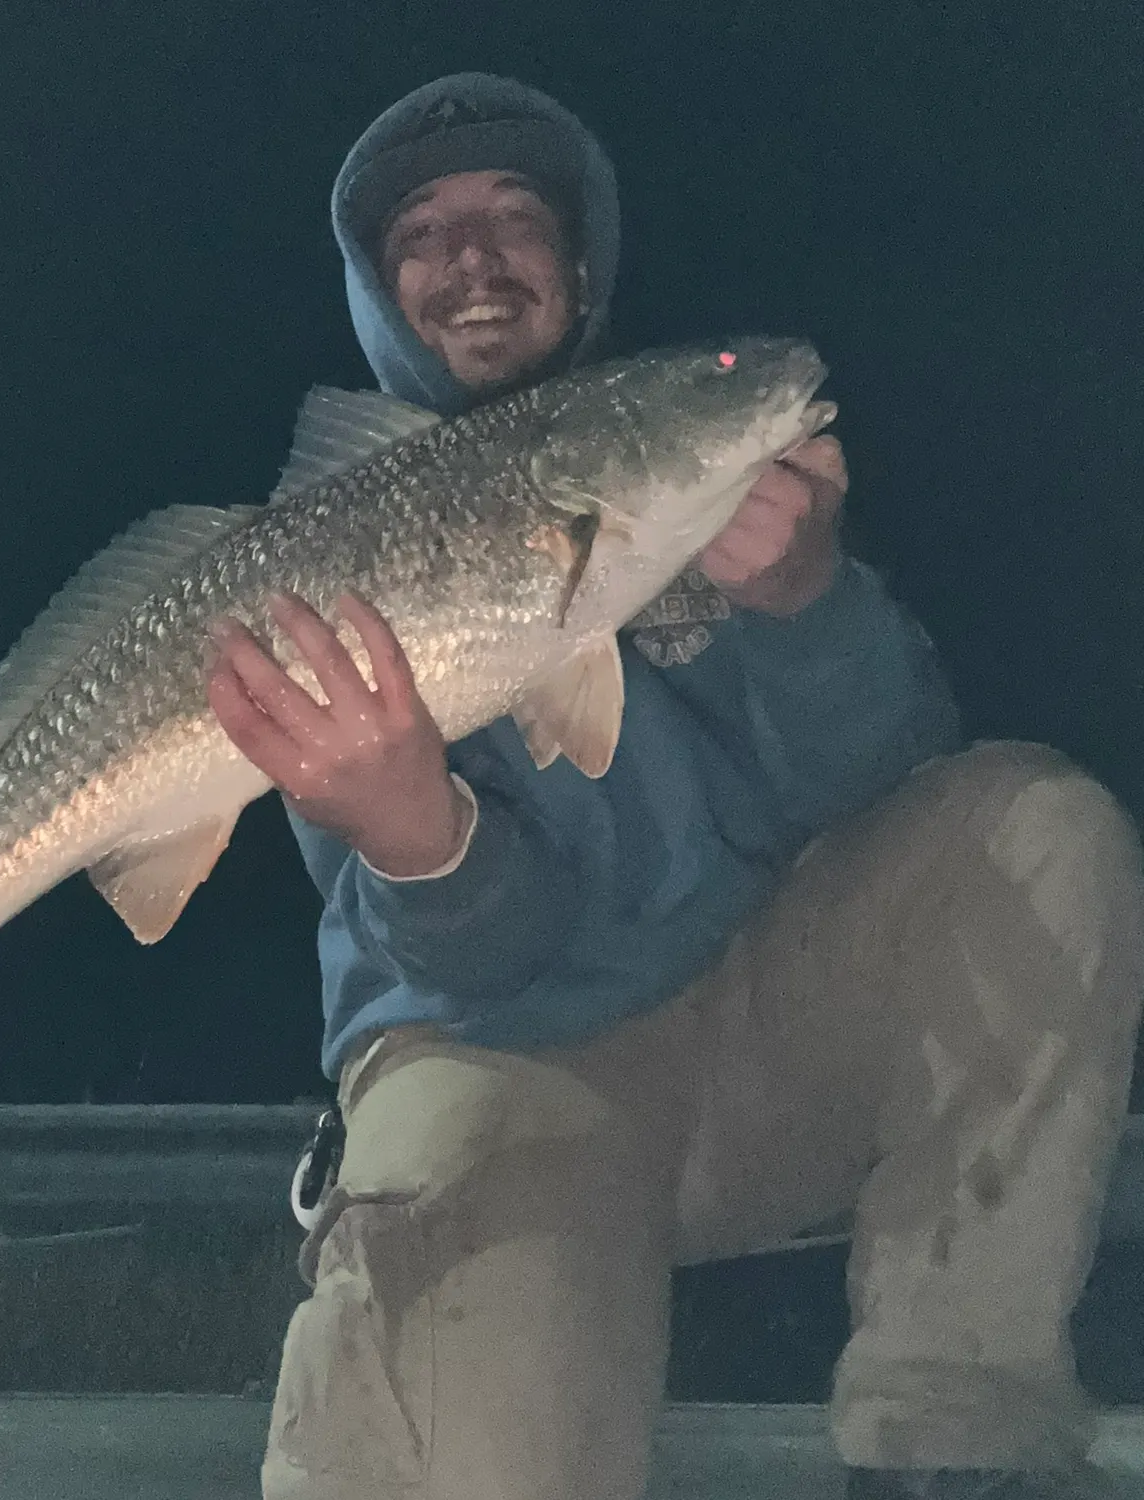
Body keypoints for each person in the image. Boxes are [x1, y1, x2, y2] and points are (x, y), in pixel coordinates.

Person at [205, 73, 1144, 1500]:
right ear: (380, 299)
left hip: (763, 1034)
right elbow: (489, 956)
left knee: (1034, 832)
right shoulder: (324, 561)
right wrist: (420, 846)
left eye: (517, 217)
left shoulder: (669, 481)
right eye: (424, 235)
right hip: (498, 1064)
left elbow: (884, 780)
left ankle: (953, 1440)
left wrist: (808, 599)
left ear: (579, 272)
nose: (474, 257)